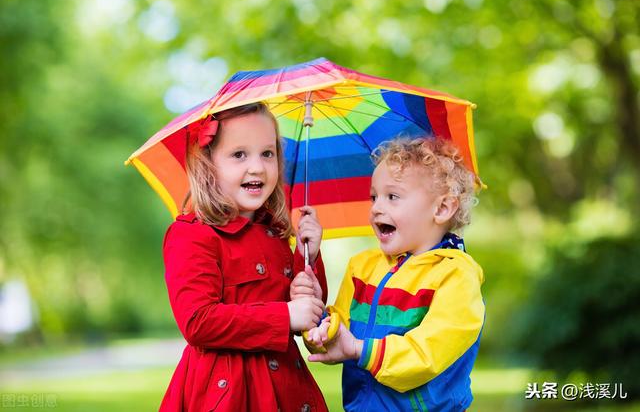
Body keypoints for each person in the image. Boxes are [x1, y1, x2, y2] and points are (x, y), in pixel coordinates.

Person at [160, 102, 329, 412]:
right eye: (239, 155)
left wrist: (310, 255)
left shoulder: (276, 234)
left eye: (268, 153)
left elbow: (305, 307)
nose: (257, 167)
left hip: (286, 387)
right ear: (208, 163)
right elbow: (198, 322)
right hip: (228, 392)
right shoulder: (192, 235)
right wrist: (286, 316)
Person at [299, 136, 485, 411]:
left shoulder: (455, 275)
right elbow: (342, 337)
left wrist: (359, 350)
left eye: (392, 196)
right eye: (374, 196)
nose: (376, 207)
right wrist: (320, 319)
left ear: (442, 208)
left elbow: (427, 355)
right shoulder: (362, 267)